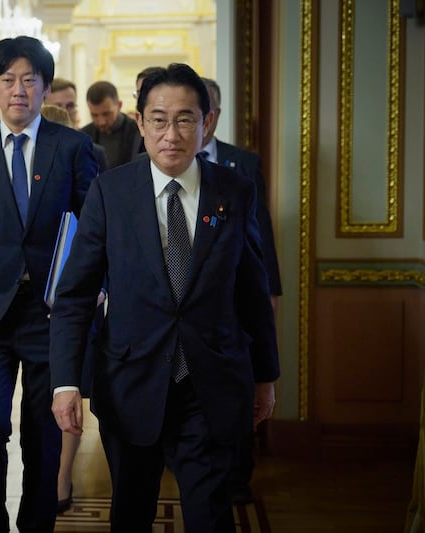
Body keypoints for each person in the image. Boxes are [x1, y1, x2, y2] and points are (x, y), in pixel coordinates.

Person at [50, 63, 280, 532]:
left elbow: (252, 289)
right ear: (140, 122)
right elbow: (75, 295)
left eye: (184, 119)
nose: (170, 133)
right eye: (158, 119)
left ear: (206, 121)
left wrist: (265, 376)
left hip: (211, 383)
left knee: (210, 516)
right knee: (131, 512)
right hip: (130, 382)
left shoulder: (233, 191)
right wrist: (65, 381)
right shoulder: (110, 192)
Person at [0, 36, 97, 533]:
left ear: (45, 87)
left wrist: (83, 298)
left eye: (29, 80)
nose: (19, 89)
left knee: (42, 434)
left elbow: (93, 229)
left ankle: (37, 527)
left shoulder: (74, 147)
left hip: (50, 315)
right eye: (8, 79)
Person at [200, 76, 283, 504]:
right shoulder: (154, 161)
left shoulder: (241, 164)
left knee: (237, 388)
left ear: (214, 114)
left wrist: (270, 288)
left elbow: (260, 234)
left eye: (208, 110)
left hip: (234, 301)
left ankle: (237, 476)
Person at [39, 104, 104, 513]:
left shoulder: (89, 167)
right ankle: (54, 475)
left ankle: (61, 475)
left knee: (70, 386)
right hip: (25, 295)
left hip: (77, 292)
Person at [81, 80, 143, 169]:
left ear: (119, 105)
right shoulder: (84, 135)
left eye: (106, 114)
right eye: (94, 115)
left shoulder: (138, 132)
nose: (101, 121)